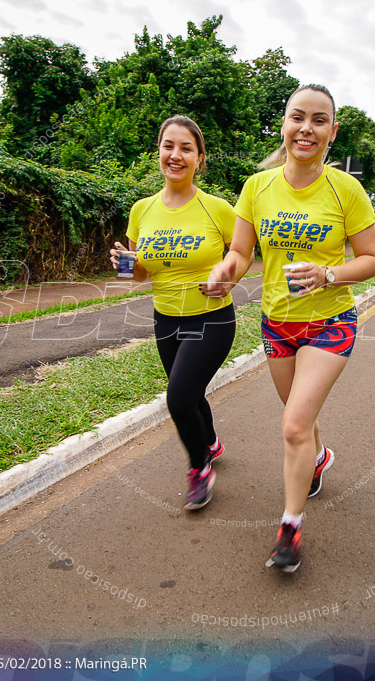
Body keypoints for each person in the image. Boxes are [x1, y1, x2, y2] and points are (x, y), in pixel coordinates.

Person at [204, 84, 375, 573]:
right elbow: (241, 253)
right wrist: (226, 272)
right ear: (283, 125)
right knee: (299, 417)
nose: (307, 128)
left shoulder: (346, 190)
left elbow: (371, 260)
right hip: (277, 323)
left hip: (331, 322)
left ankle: (290, 525)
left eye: (319, 120)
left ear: (332, 131)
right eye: (297, 117)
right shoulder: (256, 188)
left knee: (293, 424)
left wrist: (329, 273)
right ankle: (319, 458)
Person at [110, 115, 236, 511]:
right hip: (165, 318)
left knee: (178, 398)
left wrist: (227, 277)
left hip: (212, 317)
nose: (175, 155)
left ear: (200, 158)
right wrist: (125, 264)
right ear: (159, 152)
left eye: (186, 148)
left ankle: (199, 468)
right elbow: (139, 275)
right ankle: (211, 443)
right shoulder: (141, 210)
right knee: (190, 392)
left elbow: (243, 253)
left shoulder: (218, 209)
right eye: (168, 146)